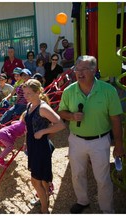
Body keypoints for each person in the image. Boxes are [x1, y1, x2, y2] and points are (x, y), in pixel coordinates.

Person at [58, 55, 125, 214]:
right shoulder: (69, 90)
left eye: (84, 69)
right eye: (77, 69)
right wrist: (72, 116)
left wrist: (119, 144)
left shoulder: (108, 91)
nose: (79, 73)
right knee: (77, 174)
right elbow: (61, 111)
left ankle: (107, 210)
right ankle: (82, 201)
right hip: (76, 141)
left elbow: (116, 119)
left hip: (100, 142)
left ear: (94, 70)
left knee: (102, 179)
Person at [23, 79, 65, 213]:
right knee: (42, 180)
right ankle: (44, 199)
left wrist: (43, 131)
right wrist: (25, 142)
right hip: (33, 146)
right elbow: (28, 128)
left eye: (29, 93)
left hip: (41, 148)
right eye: (25, 93)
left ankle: (44, 209)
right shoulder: (30, 106)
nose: (26, 96)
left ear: (38, 92)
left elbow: (61, 125)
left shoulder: (43, 108)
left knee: (35, 181)